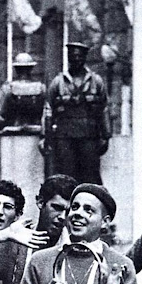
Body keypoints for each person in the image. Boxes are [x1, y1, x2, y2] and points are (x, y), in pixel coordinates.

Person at [40, 42, 111, 184]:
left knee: (91, 176)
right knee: (65, 176)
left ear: (84, 58)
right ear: (68, 58)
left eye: (79, 57)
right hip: (64, 138)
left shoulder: (96, 82)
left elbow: (104, 108)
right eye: (72, 57)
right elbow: (48, 110)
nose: (76, 60)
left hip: (89, 136)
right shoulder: (58, 82)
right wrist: (45, 136)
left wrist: (106, 135)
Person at [0, 53, 46, 135]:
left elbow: (0, 117)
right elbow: (45, 114)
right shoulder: (41, 88)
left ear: (16, 69)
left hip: (11, 134)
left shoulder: (7, 89)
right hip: (35, 133)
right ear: (31, 68)